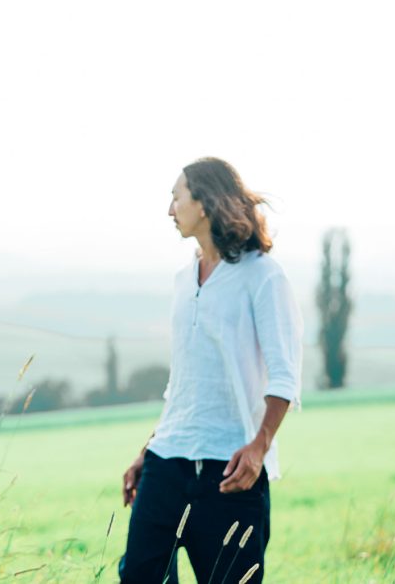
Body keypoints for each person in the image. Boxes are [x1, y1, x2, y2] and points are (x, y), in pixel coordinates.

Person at [118, 158, 303, 584]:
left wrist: (258, 447)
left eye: (176, 197)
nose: (170, 210)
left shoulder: (263, 277)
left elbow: (284, 376)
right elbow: (183, 383)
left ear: (203, 203)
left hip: (230, 475)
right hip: (167, 465)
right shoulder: (184, 279)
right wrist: (149, 449)